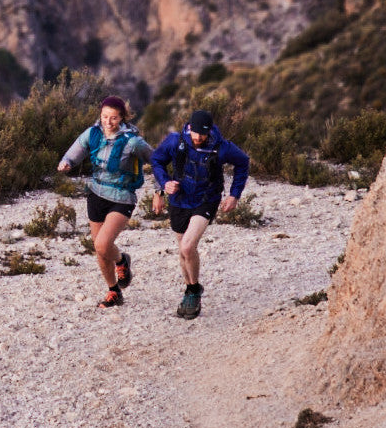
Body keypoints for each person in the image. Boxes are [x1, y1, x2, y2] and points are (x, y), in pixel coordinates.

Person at [57, 95, 155, 309]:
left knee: (103, 244)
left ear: (122, 118)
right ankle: (114, 291)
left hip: (122, 197)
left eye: (113, 118)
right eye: (104, 117)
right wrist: (66, 162)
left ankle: (121, 261)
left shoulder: (132, 142)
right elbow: (77, 149)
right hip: (96, 194)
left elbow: (155, 160)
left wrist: (160, 189)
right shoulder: (92, 133)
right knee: (99, 250)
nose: (108, 122)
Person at [151, 108, 249, 319]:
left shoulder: (221, 148)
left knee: (188, 246)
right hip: (179, 199)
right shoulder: (176, 141)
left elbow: (243, 162)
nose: (198, 138)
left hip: (206, 200)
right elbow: (157, 160)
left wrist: (234, 195)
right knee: (183, 251)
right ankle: (190, 292)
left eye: (202, 135)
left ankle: (194, 290)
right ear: (189, 128)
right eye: (195, 133)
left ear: (209, 132)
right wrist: (163, 185)